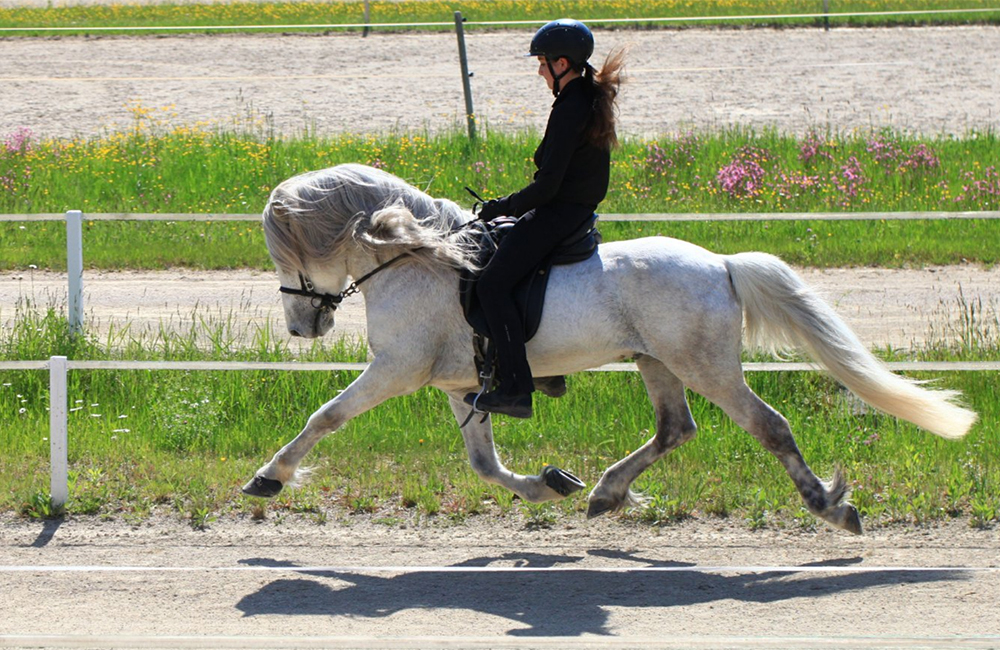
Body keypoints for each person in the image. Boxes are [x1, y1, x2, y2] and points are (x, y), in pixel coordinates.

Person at [465, 19, 626, 419]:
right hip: (573, 210)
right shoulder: (586, 95)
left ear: (564, 63)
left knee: (493, 286)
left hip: (558, 213)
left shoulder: (571, 107)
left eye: (543, 63)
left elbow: (547, 186)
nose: (539, 70)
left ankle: (516, 388)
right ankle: (543, 369)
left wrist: (500, 206)